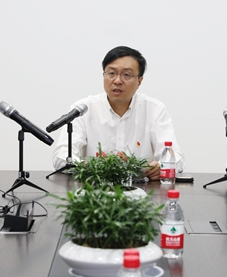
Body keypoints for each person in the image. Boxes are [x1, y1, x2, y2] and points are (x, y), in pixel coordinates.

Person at [51, 46, 184, 180]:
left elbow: (177, 158)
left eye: (126, 75)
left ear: (139, 81)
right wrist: (90, 167)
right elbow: (61, 156)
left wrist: (162, 167)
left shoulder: (154, 110)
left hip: (143, 189)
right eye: (111, 73)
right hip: (94, 189)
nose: (117, 81)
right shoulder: (84, 109)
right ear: (104, 75)